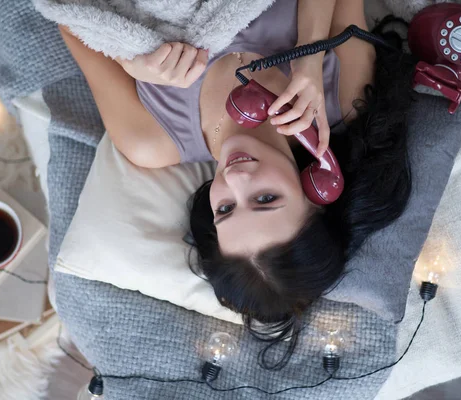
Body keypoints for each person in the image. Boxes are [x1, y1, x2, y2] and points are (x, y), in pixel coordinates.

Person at [60, 0, 416, 368]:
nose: (235, 177)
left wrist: (127, 58)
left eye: (226, 208)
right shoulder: (342, 98)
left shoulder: (148, 138)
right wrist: (309, 55)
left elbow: (71, 21)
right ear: (316, 193)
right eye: (265, 198)